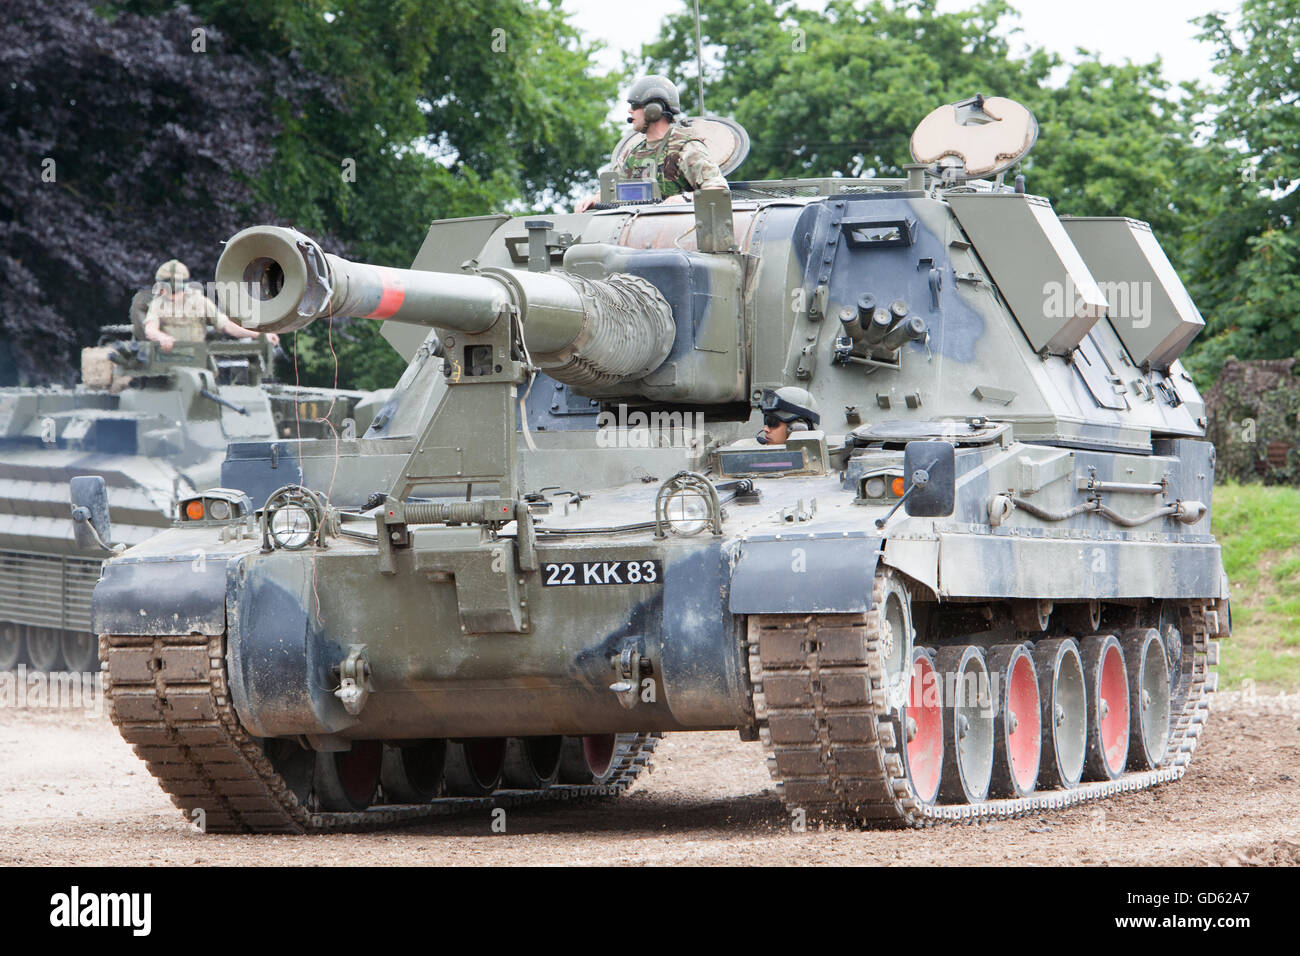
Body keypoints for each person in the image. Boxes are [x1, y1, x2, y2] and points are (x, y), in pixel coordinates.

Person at [576, 75, 728, 213]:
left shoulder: (686, 148)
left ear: (654, 109)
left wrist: (685, 199)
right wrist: (594, 200)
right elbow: (613, 189)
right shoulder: (631, 153)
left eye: (635, 106)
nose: (630, 111)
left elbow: (718, 189)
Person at [142, 259, 278, 352]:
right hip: (166, 360)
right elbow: (150, 329)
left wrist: (259, 335)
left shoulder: (200, 302)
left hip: (196, 359)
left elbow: (227, 326)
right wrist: (162, 337)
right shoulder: (158, 304)